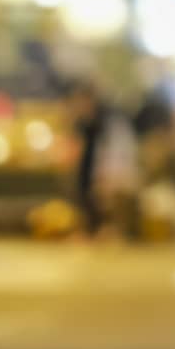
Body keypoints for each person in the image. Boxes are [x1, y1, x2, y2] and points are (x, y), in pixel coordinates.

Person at [71, 84, 106, 237]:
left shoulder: (99, 123)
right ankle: (85, 229)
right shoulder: (81, 123)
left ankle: (95, 230)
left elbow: (103, 147)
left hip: (96, 166)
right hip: (82, 166)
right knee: (82, 195)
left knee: (95, 199)